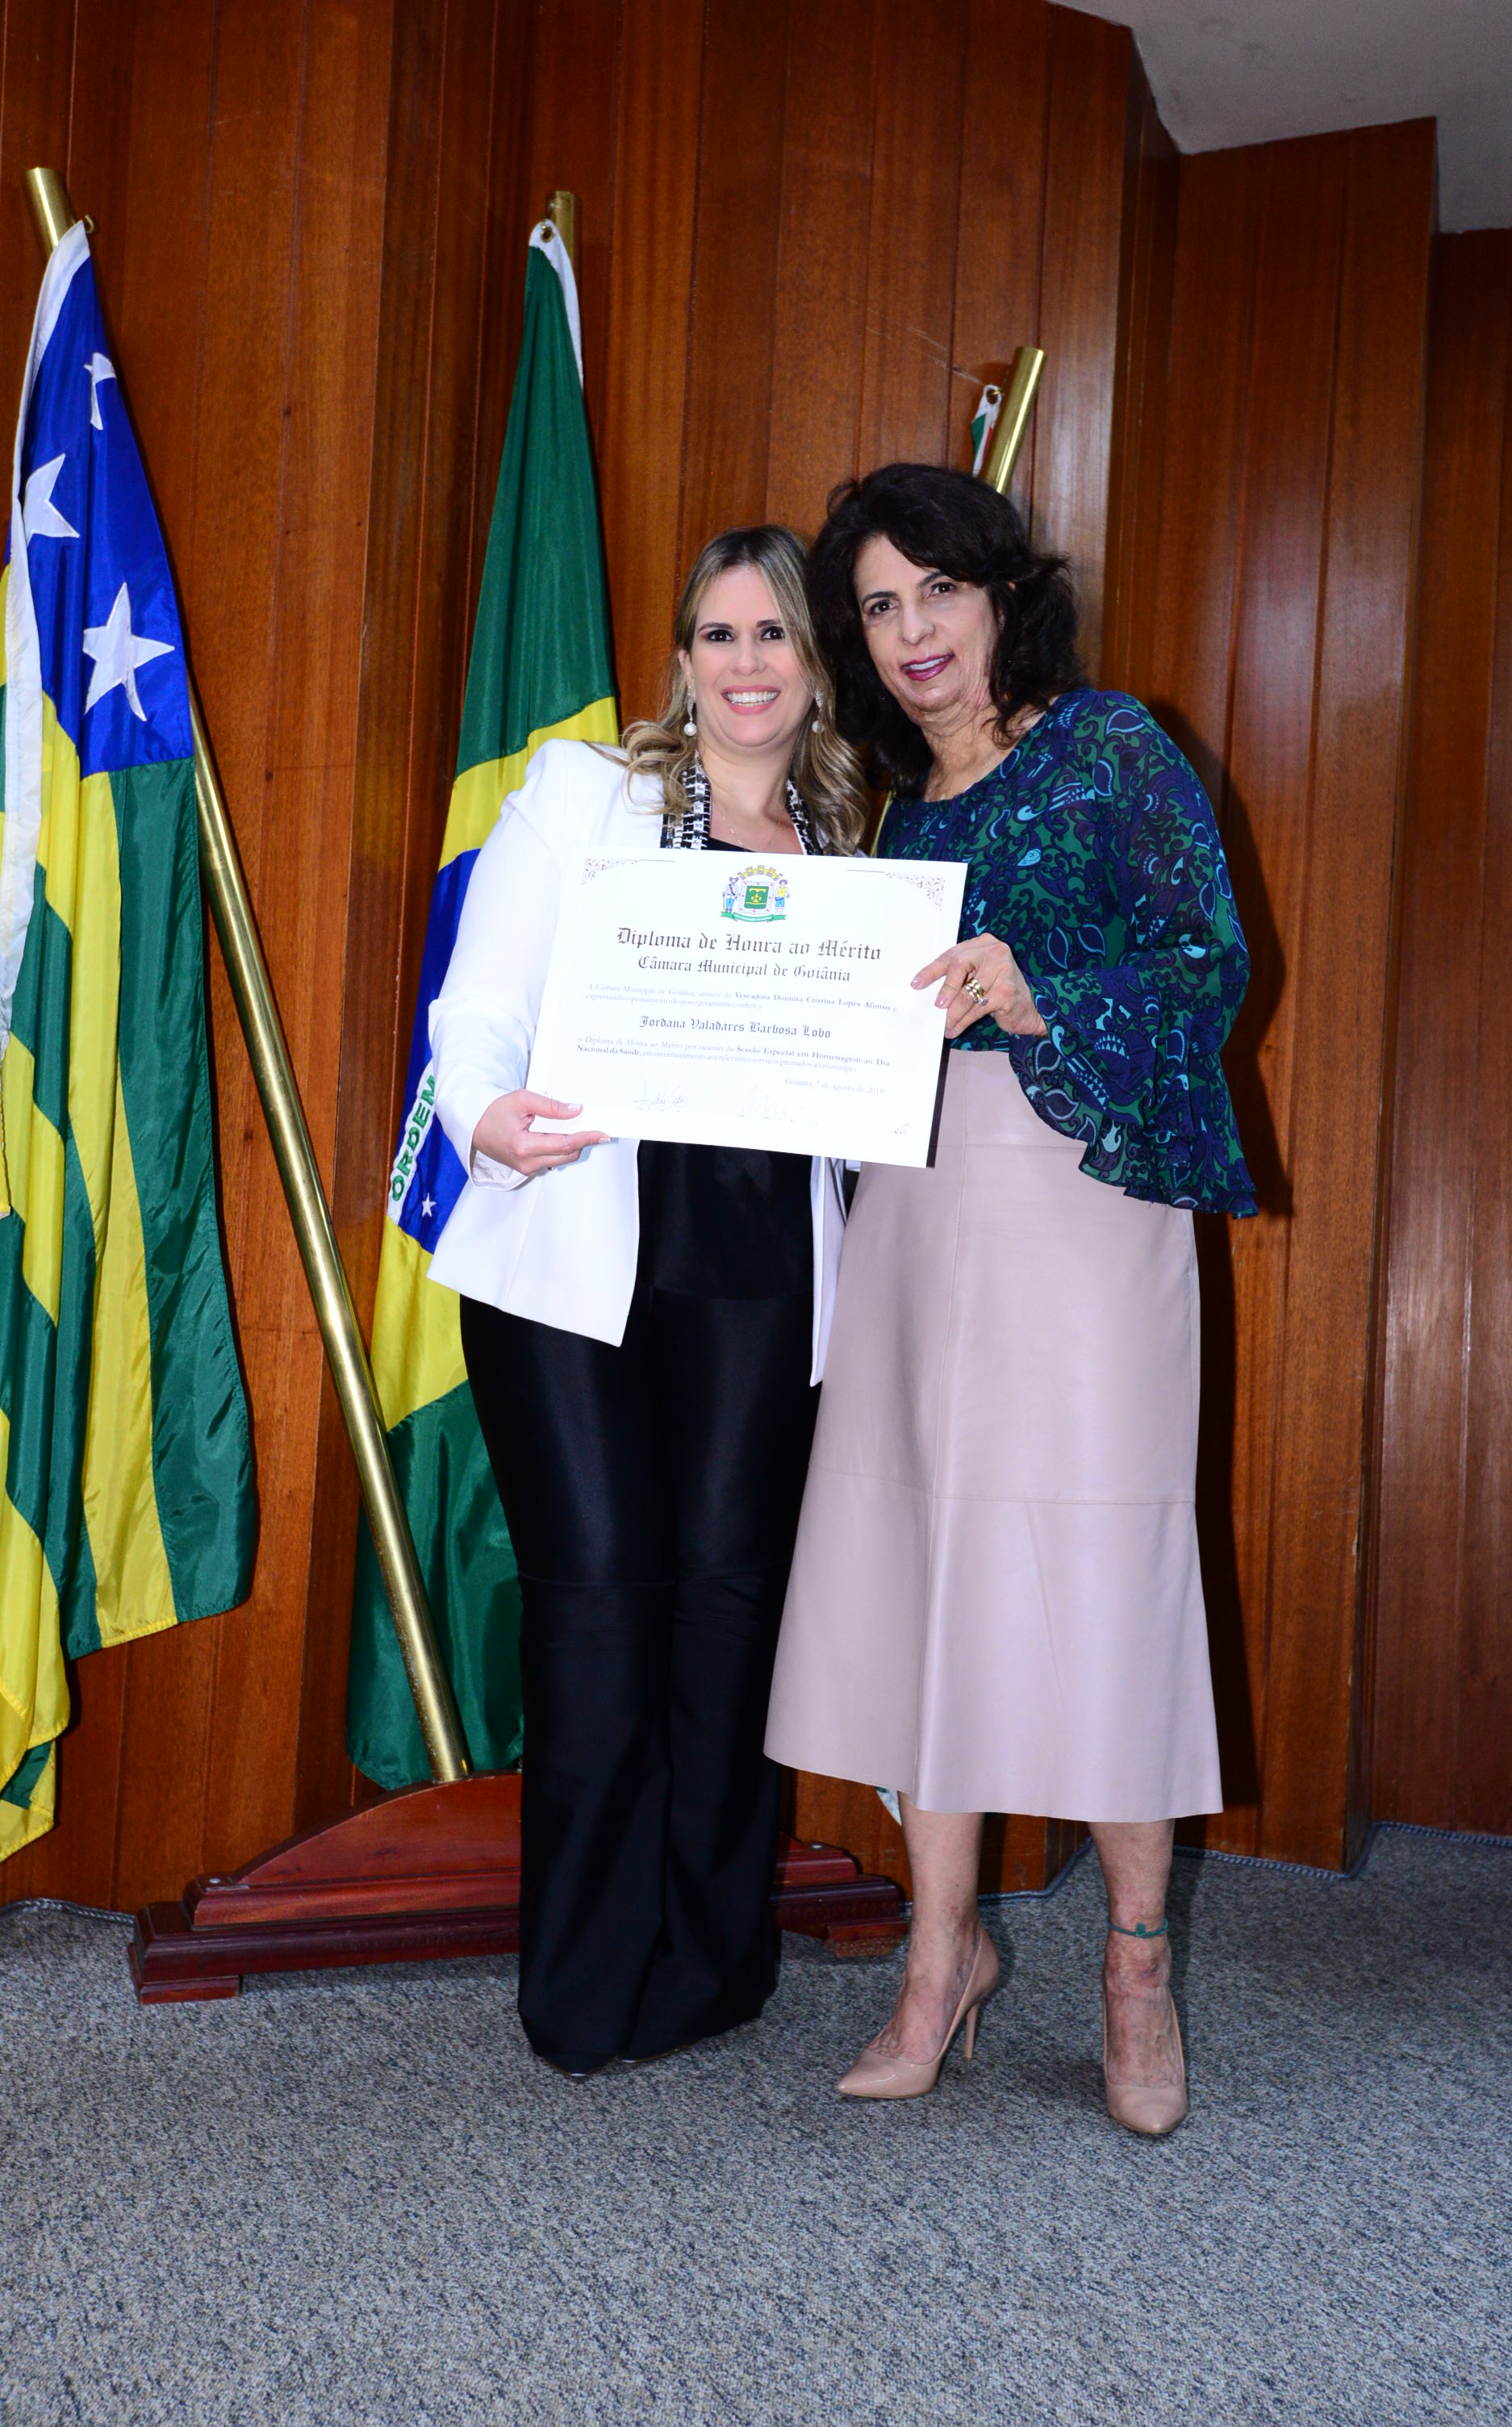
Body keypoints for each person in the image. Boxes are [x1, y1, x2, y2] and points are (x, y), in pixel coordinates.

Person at [765, 464, 1255, 2132]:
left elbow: (1206, 965)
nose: (910, 631)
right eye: (877, 606)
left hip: (1082, 1205)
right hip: (916, 1213)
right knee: (927, 1573)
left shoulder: (1110, 746)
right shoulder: (893, 813)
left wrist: (1038, 992)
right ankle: (941, 1956)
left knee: (1104, 1571)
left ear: (1000, 597)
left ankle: (1135, 1966)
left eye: (937, 592)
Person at [427, 526, 867, 2075]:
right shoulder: (583, 794)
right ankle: (584, 1980)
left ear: (815, 666)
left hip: (763, 1273)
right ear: (682, 658)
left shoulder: (857, 855)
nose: (747, 664)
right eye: (719, 634)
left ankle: (710, 1960)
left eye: (776, 634)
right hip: (577, 1256)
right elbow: (477, 1002)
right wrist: (482, 1114)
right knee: (603, 1601)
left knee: (729, 1609)